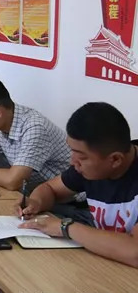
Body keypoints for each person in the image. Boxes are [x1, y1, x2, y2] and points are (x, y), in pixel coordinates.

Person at [17, 103, 137, 266]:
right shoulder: (90, 165)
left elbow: (134, 252)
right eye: (72, 151)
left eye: (81, 156)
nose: (72, 161)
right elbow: (50, 188)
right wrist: (35, 203)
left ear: (115, 159)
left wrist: (66, 227)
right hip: (106, 262)